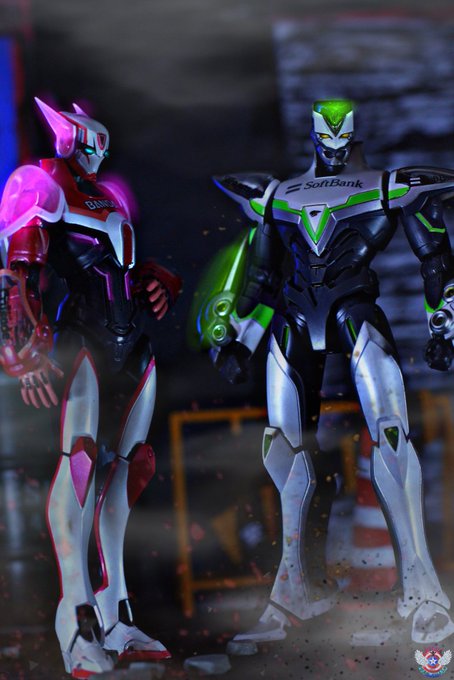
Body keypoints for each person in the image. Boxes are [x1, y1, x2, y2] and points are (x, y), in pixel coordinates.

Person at [200, 99, 454, 647]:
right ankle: (295, 594)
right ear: (318, 137)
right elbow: (264, 278)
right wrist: (241, 338)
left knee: (392, 439)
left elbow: (435, 259)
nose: (336, 149)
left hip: (353, 311)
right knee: (283, 451)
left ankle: (423, 593)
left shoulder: (386, 186)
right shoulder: (278, 196)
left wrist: (445, 327)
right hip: (295, 319)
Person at [0, 98, 181, 677]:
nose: (98, 149)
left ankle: (116, 611)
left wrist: (152, 279)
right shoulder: (42, 181)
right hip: (82, 341)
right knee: (78, 463)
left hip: (130, 343)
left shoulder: (108, 194)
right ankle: (76, 619)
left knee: (128, 466)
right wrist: (21, 347)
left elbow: (114, 266)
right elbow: (18, 273)